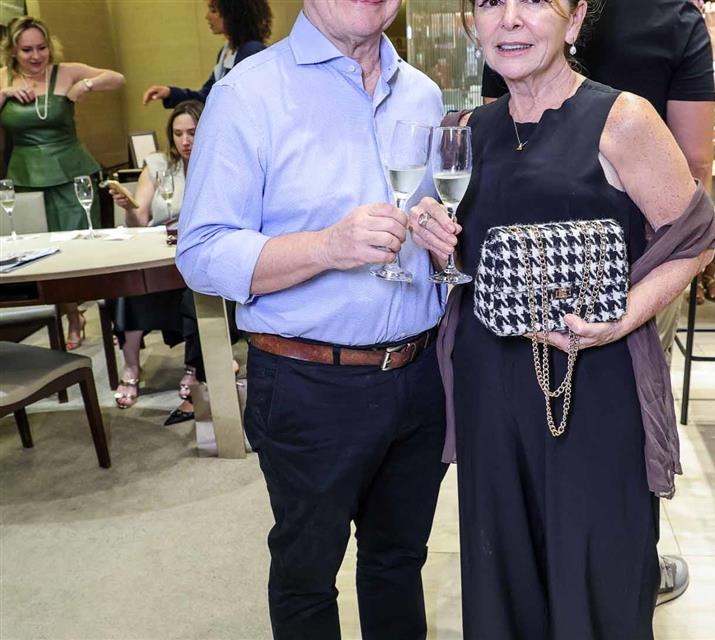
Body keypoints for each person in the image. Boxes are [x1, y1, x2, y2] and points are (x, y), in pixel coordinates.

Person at [409, 0, 715, 636]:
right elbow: (469, 253)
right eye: (489, 3)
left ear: (575, 20)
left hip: (592, 386)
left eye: (533, 1)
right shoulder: (466, 130)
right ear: (472, 24)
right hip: (490, 390)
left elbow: (694, 241)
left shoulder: (623, 120)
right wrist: (434, 236)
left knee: (593, 578)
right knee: (504, 577)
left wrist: (621, 318)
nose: (509, 19)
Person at [176, 2, 448, 638]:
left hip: (420, 374)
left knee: (399, 562)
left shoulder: (423, 93)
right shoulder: (247, 93)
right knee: (307, 576)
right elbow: (201, 252)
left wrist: (441, 240)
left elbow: (431, 224)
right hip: (310, 384)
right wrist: (328, 246)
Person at [0, 16, 125, 349]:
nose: (36, 56)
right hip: (26, 177)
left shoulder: (65, 71)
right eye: (27, 50)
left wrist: (87, 85)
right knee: (42, 254)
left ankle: (113, 320)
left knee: (78, 249)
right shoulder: (4, 77)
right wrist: (6, 93)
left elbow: (117, 78)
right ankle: (72, 315)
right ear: (13, 50)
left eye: (41, 48)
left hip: (71, 172)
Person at [109, 100, 214, 425]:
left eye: (192, 132)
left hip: (197, 252)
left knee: (196, 290)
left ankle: (194, 367)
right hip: (159, 249)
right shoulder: (158, 164)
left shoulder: (217, 161)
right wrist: (129, 207)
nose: (185, 141)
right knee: (129, 284)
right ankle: (131, 367)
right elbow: (139, 221)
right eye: (178, 133)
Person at [142, 0, 271, 108]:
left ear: (233, 15)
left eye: (213, 11)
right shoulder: (226, 51)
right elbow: (208, 97)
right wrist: (170, 93)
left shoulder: (251, 51)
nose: (207, 16)